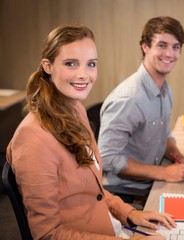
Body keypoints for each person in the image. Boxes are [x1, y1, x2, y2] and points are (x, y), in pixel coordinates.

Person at [6, 24, 175, 239]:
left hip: (108, 223)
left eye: (91, 64)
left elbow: (91, 189)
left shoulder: (75, 109)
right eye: (71, 64)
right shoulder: (33, 138)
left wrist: (130, 212)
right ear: (48, 66)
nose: (84, 75)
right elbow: (47, 234)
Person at [98, 16, 184, 203]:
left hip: (153, 181)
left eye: (175, 47)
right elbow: (107, 158)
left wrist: (178, 157)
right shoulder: (129, 99)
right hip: (128, 192)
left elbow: (165, 137)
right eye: (162, 45)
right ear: (145, 46)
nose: (170, 53)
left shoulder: (165, 90)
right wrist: (165, 173)